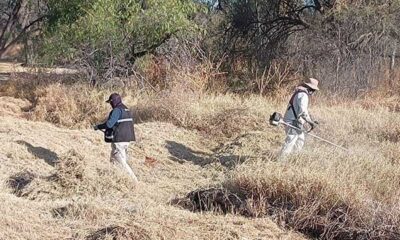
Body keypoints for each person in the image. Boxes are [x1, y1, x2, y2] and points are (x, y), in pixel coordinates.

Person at [94, 93, 138, 183]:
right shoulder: (126, 109)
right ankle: (113, 179)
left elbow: (109, 124)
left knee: (121, 162)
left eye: (110, 102)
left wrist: (98, 127)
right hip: (127, 139)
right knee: (113, 160)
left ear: (113, 102)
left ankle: (134, 181)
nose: (110, 104)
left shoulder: (117, 110)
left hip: (119, 139)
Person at [280, 78, 319, 156]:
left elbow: (302, 110)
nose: (313, 92)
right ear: (310, 89)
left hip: (294, 121)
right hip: (292, 121)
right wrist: (310, 122)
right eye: (313, 90)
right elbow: (303, 111)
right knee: (291, 141)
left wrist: (310, 120)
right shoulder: (303, 95)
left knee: (300, 140)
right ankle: (281, 160)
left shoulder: (300, 93)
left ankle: (294, 157)